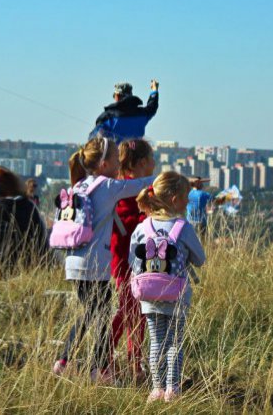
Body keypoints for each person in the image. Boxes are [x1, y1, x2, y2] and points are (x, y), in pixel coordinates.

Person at [52, 137, 157, 383]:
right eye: (113, 160)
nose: (117, 164)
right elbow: (142, 184)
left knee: (90, 312)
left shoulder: (79, 186)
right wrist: (170, 180)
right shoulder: (108, 186)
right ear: (103, 164)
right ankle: (99, 369)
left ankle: (65, 360)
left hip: (73, 262)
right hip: (95, 264)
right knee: (100, 313)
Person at [130, 171, 206, 402]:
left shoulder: (143, 227)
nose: (187, 202)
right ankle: (173, 389)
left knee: (156, 341)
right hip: (176, 295)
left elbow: (132, 260)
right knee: (174, 342)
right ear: (175, 200)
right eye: (186, 197)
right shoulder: (183, 228)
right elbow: (200, 260)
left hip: (148, 295)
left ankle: (156, 388)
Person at [110, 138, 155, 382]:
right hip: (130, 261)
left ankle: (132, 363)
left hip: (125, 260)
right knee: (131, 313)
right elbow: (132, 224)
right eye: (152, 160)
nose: (155, 164)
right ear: (141, 163)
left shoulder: (121, 187)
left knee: (134, 313)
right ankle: (108, 355)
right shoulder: (131, 191)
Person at [89, 80, 159, 141]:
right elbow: (152, 107)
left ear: (117, 96)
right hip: (136, 155)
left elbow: (93, 139)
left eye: (114, 95)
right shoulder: (142, 114)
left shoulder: (107, 117)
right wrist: (154, 90)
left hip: (115, 156)